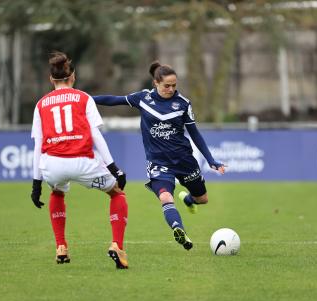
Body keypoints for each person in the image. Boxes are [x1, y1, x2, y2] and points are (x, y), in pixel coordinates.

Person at [92, 61, 225, 251]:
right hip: (158, 162)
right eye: (167, 86)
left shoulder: (183, 104)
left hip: (184, 160)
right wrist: (86, 99)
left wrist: (211, 160)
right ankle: (178, 228)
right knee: (165, 197)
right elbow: (115, 100)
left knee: (202, 199)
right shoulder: (143, 99)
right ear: (156, 83)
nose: (171, 89)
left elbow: (195, 134)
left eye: (174, 85)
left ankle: (188, 200)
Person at [30, 51, 129, 269]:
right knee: (116, 194)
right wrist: (114, 168)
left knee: (57, 192)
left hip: (53, 163)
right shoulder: (84, 98)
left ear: (50, 79)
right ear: (72, 76)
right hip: (83, 161)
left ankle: (61, 246)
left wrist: (36, 183)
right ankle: (117, 246)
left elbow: (38, 145)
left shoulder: (41, 104)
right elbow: (96, 135)